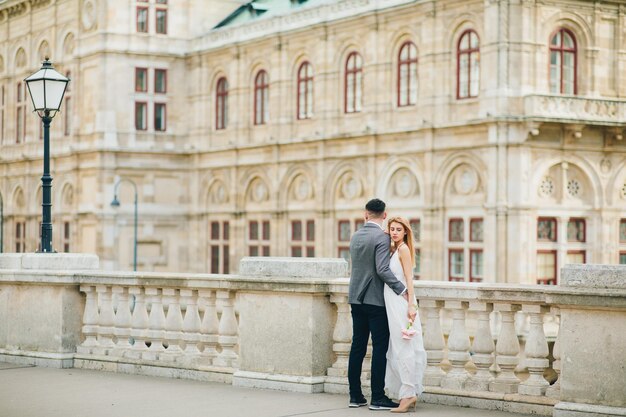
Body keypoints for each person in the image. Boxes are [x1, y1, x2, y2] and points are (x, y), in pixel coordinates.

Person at [347, 198, 409, 411]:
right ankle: (377, 397)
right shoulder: (382, 238)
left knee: (357, 346)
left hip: (356, 298)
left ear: (366, 214)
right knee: (380, 348)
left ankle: (355, 396)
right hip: (375, 301)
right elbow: (382, 269)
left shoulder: (355, 236)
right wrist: (402, 289)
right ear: (384, 215)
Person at [384, 216, 427, 413]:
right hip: (392, 303)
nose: (394, 232)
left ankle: (409, 394)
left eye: (398, 230)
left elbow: (410, 279)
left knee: (404, 348)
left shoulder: (403, 250)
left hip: (401, 304)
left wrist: (411, 305)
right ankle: (407, 393)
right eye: (391, 229)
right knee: (398, 347)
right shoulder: (394, 249)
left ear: (405, 232)